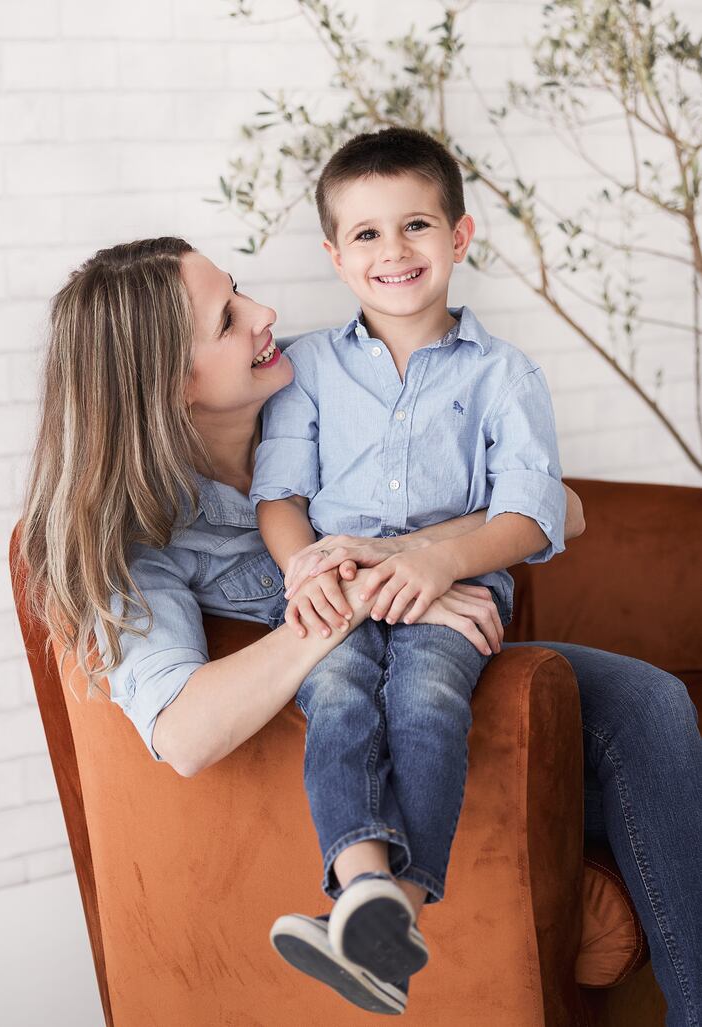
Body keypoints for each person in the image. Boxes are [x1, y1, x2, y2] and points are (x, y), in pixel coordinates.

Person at [20, 237, 702, 1024]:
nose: (267, 314)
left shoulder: (324, 371)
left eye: (242, 291)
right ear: (174, 385)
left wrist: (415, 559)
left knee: (648, 704)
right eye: (229, 318)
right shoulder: (140, 545)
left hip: (445, 652)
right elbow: (184, 732)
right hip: (363, 714)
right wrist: (358, 596)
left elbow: (564, 509)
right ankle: (378, 896)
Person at [250, 127, 568, 1008]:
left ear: (460, 237)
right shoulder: (306, 368)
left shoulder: (506, 374)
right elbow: (279, 496)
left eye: (418, 225)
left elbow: (533, 512)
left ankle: (396, 910)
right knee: (339, 692)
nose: (394, 251)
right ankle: (364, 893)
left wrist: (439, 563)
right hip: (339, 588)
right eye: (366, 234)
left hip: (455, 590)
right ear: (335, 255)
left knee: (426, 701)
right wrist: (304, 570)